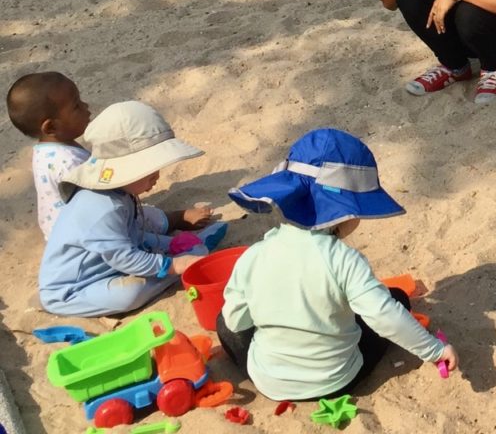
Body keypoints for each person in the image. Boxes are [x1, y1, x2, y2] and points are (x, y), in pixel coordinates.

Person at [220, 128, 458, 402]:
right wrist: (436, 350)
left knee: (223, 324)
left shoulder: (254, 255)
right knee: (397, 300)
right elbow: (385, 317)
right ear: (343, 211)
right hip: (336, 381)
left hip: (269, 382)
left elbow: (235, 320)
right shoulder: (344, 260)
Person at [37, 101, 225, 317]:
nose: (157, 176)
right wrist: (175, 265)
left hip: (109, 259)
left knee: (187, 248)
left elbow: (131, 234)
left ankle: (194, 250)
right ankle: (181, 267)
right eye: (149, 171)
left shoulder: (120, 194)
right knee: (129, 295)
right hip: (73, 290)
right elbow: (124, 256)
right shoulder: (103, 208)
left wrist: (171, 244)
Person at [7, 72, 91, 239]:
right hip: (77, 237)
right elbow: (95, 202)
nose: (86, 106)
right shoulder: (67, 162)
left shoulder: (45, 150)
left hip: (57, 230)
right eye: (76, 106)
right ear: (51, 127)